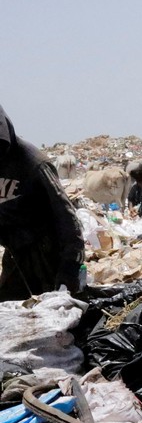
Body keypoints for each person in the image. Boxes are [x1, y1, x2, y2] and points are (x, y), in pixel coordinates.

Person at [0, 103, 85, 300]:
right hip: (16, 255)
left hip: (48, 253)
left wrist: (70, 266)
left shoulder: (33, 162)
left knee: (54, 315)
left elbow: (66, 216)